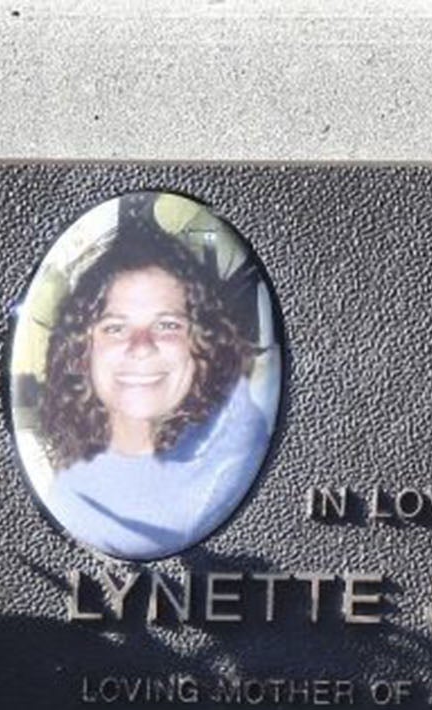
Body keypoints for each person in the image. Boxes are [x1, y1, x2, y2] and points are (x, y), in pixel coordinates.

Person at [36, 221, 270, 560]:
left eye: (167, 325)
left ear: (201, 345)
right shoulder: (65, 489)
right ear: (82, 352)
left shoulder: (234, 466)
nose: (141, 347)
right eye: (115, 327)